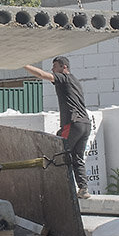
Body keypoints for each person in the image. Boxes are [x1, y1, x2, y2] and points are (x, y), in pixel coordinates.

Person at [23, 56, 92, 198]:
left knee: (59, 154)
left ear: (64, 67)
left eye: (55, 66)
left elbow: (42, 75)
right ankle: (83, 189)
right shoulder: (75, 81)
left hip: (72, 123)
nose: (52, 69)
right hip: (85, 124)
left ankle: (59, 190)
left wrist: (23, 64)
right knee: (77, 157)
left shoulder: (64, 78)